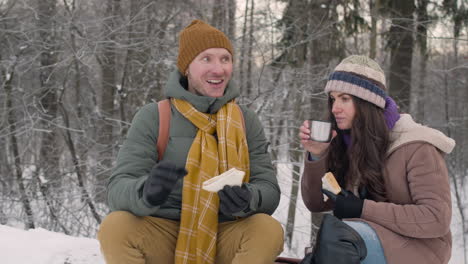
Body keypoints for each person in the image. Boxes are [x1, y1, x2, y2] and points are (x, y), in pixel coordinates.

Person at [98, 19, 284, 264]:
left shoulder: (245, 120)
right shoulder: (154, 116)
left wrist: (249, 199)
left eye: (225, 59)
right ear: (187, 67)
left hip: (224, 232)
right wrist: (147, 192)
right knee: (115, 227)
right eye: (206, 59)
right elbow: (117, 189)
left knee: (268, 229)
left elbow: (269, 190)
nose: (218, 69)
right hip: (164, 233)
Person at [298, 55, 455, 264]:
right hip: (363, 237)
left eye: (345, 99)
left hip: (421, 247)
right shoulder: (347, 141)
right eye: (333, 98)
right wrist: (318, 154)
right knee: (327, 244)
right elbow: (316, 203)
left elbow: (437, 218)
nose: (335, 107)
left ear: (367, 103)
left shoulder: (417, 146)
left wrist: (362, 208)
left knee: (338, 238)